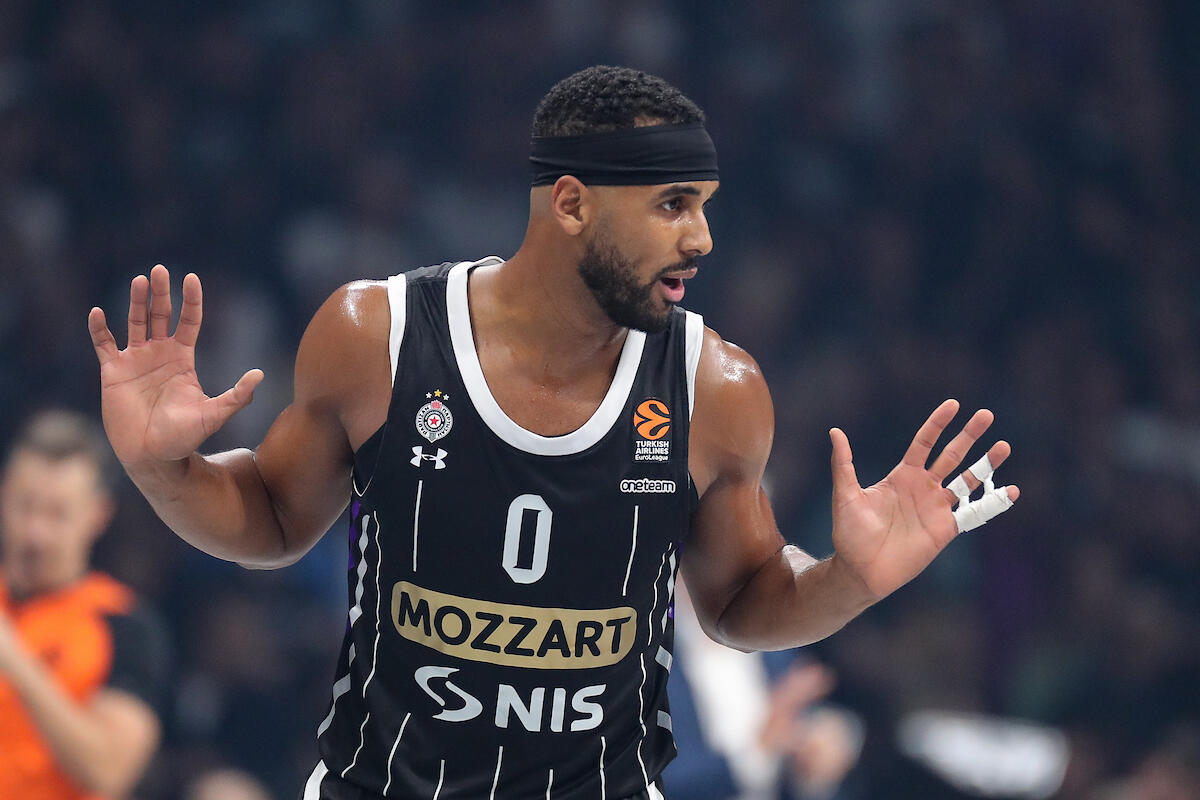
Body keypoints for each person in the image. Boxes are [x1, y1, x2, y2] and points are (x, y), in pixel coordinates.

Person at [86, 65, 1018, 799]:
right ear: (571, 204)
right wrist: (164, 468)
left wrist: (850, 579)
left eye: (704, 204)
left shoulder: (718, 388)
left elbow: (740, 604)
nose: (701, 238)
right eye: (672, 204)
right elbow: (273, 520)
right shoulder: (379, 335)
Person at [0, 410, 169, 799]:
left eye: (57, 514)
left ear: (97, 514)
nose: (35, 533)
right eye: (25, 506)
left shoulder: (124, 625)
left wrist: (15, 661)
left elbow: (108, 771)